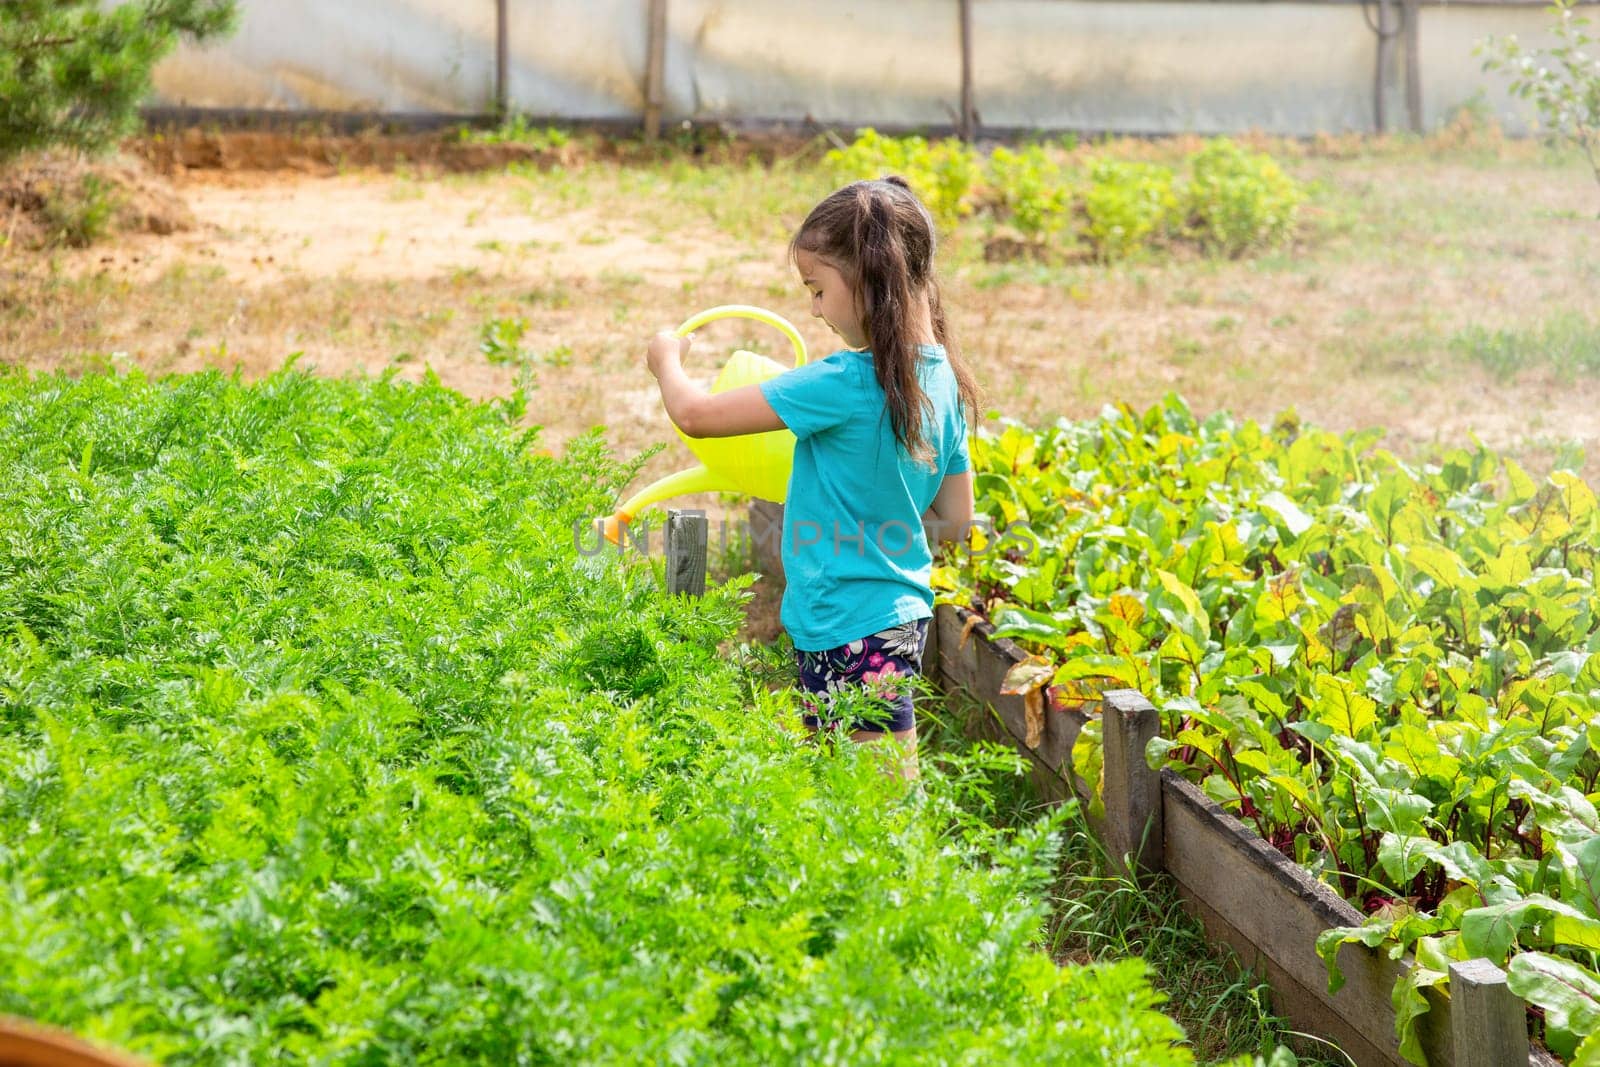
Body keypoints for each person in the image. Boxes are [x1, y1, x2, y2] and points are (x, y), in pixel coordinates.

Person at [644, 176, 979, 776]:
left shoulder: (845, 382)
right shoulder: (944, 382)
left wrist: (666, 360)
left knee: (879, 801)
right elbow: (955, 520)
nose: (816, 309)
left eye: (818, 289)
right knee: (845, 786)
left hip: (845, 620)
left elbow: (695, 416)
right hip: (891, 617)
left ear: (873, 280)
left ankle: (915, 873)